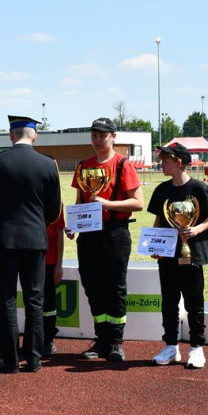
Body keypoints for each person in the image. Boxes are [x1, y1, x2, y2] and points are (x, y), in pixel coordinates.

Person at [0, 115, 62, 372]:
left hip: (4, 239)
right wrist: (38, 222)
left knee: (6, 300)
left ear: (11, 135)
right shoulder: (48, 164)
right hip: (36, 240)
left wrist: (2, 215)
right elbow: (54, 209)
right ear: (34, 135)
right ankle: (34, 359)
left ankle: (11, 359)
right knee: (35, 300)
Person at [69, 117, 144, 361]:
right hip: (89, 235)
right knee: (92, 286)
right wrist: (73, 225)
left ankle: (116, 341)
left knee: (115, 287)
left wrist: (107, 203)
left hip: (115, 232)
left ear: (113, 136)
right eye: (94, 135)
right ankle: (101, 339)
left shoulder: (123, 165)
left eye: (102, 135)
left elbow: (138, 203)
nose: (98, 140)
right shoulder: (83, 165)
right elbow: (80, 202)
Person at [148, 142, 208, 368]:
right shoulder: (162, 190)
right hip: (168, 256)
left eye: (165, 161)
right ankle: (171, 346)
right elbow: (159, 220)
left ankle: (197, 348)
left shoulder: (199, 188)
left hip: (193, 255)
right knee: (168, 302)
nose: (161, 164)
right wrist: (155, 246)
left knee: (194, 302)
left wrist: (197, 229)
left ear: (178, 162)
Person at [42, 205, 66, 360]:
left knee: (49, 304)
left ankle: (48, 340)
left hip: (49, 262)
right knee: (32, 302)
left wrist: (58, 265)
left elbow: (59, 233)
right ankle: (33, 339)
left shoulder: (55, 202)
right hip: (29, 262)